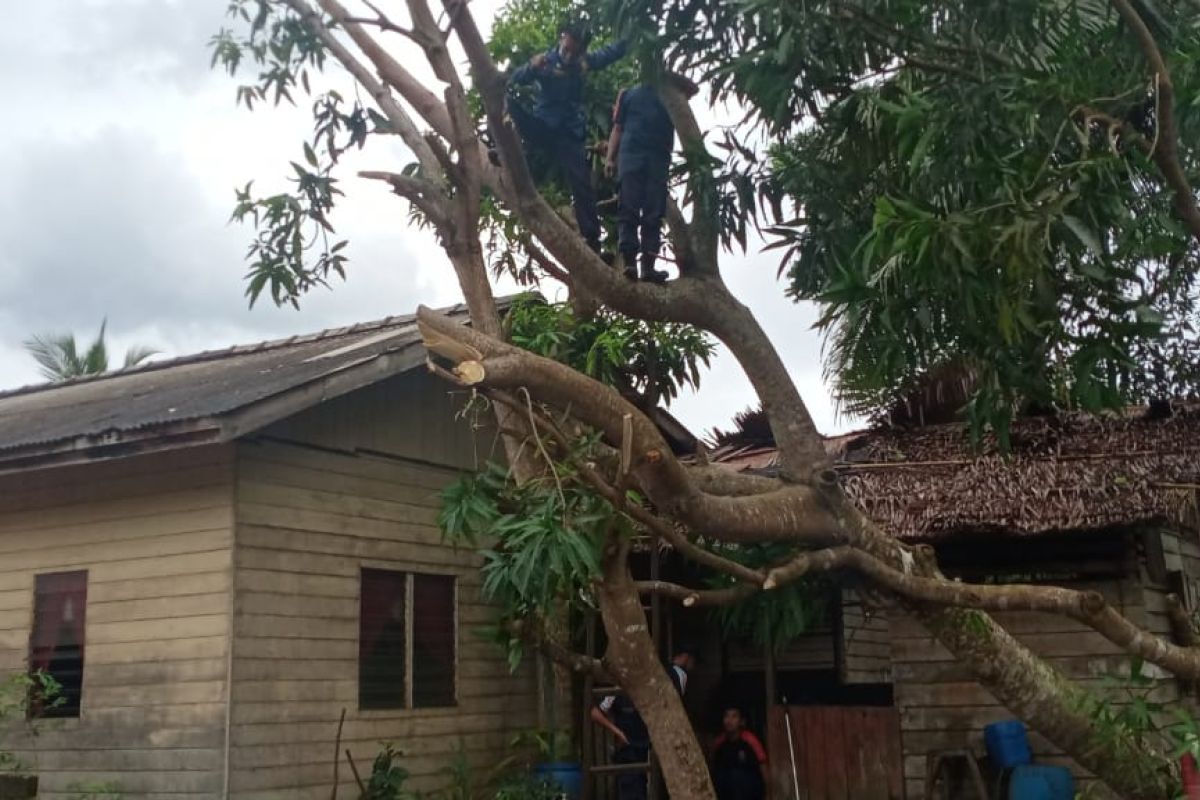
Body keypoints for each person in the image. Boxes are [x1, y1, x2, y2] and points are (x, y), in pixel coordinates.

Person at [506, 22, 628, 255]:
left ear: (582, 50)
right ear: (562, 39)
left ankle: (592, 241)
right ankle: (502, 148)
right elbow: (516, 78)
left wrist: (631, 34)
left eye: (575, 52)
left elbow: (609, 53)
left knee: (582, 185)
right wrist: (531, 67)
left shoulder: (584, 63)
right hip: (543, 127)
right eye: (567, 49)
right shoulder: (545, 62)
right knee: (507, 104)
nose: (569, 55)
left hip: (570, 134)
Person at [605, 75, 699, 283]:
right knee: (628, 209)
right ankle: (629, 262)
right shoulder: (628, 94)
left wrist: (669, 77)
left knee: (653, 214)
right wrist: (610, 158)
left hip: (658, 158)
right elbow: (618, 128)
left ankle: (648, 267)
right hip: (631, 156)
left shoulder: (669, 93)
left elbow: (694, 89)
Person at [590, 645, 695, 800]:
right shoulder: (620, 687)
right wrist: (617, 732)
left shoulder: (655, 686)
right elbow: (596, 713)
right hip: (629, 749)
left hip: (651, 746)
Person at [710, 706, 770, 800]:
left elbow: (763, 767)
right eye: (727, 716)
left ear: (741, 722)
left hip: (749, 790)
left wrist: (768, 795)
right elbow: (713, 766)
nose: (729, 720)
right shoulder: (719, 743)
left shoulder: (751, 740)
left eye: (734, 717)